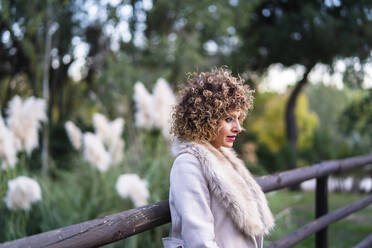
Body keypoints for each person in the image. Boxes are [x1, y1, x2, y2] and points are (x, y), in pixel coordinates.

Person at [162, 67, 275, 248]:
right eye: (229, 119)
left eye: (238, 118)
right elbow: (199, 240)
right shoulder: (188, 164)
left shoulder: (224, 157)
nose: (238, 127)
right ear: (205, 119)